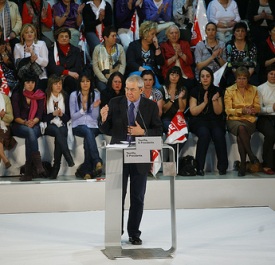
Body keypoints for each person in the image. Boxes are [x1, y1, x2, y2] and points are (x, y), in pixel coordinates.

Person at [99, 75, 163, 245]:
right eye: (127, 88)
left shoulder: (150, 106)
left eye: (132, 89)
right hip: (118, 155)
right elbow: (107, 129)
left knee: (137, 197)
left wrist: (142, 133)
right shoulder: (115, 102)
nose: (128, 92)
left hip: (140, 155)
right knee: (117, 196)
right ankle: (115, 231)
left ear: (141, 90)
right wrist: (103, 119)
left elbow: (158, 131)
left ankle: (134, 233)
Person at [189, 67, 228, 176]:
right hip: (199, 120)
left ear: (211, 77)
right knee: (204, 134)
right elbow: (193, 111)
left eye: (208, 76)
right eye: (203, 76)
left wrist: (214, 101)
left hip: (215, 120)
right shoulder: (194, 91)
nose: (205, 78)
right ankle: (199, 167)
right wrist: (205, 103)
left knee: (218, 134)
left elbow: (219, 111)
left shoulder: (218, 91)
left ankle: (222, 167)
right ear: (199, 78)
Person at [224, 66, 261, 176]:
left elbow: (258, 107)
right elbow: (228, 110)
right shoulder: (229, 90)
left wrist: (254, 110)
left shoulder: (254, 89)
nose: (241, 81)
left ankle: (243, 165)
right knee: (240, 128)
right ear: (235, 79)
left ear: (248, 79)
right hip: (234, 120)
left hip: (249, 120)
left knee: (241, 135)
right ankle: (251, 156)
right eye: (239, 78)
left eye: (244, 78)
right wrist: (242, 110)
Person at [11, 72, 46, 181]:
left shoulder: (39, 95)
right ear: (23, 84)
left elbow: (39, 115)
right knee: (30, 133)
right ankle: (38, 164)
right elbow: (16, 117)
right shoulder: (17, 95)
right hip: (19, 125)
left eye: (32, 82)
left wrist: (33, 122)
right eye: (28, 82)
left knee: (30, 136)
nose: (30, 85)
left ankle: (28, 173)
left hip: (34, 124)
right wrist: (26, 122)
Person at [69, 72, 103, 180]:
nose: (85, 84)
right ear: (79, 83)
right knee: (87, 132)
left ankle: (87, 172)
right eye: (83, 81)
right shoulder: (74, 95)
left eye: (87, 81)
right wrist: (83, 110)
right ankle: (97, 160)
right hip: (77, 126)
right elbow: (73, 116)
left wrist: (93, 107)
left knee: (88, 136)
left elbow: (95, 117)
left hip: (93, 126)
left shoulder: (96, 94)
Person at [43, 74, 75, 179]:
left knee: (61, 131)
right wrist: (53, 114)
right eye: (56, 84)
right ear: (51, 85)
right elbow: (42, 117)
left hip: (61, 123)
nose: (58, 86)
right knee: (58, 131)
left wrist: (61, 115)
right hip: (48, 124)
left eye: (60, 84)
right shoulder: (45, 96)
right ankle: (67, 156)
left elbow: (68, 118)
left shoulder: (65, 96)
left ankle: (55, 168)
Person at [126, 21, 164, 88]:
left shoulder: (154, 46)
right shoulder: (133, 45)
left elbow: (160, 62)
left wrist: (157, 47)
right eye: (152, 34)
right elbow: (130, 62)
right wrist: (145, 70)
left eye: (155, 34)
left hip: (151, 75)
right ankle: (159, 89)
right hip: (136, 72)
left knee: (149, 74)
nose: (154, 37)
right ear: (145, 34)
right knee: (148, 70)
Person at [14, 23, 48, 91]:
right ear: (23, 35)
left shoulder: (41, 44)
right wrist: (30, 60)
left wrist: (33, 55)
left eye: (31, 32)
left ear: (35, 34)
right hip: (24, 78)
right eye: (26, 32)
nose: (29, 34)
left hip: (40, 76)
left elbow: (45, 63)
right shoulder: (17, 46)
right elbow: (17, 64)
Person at [47, 27, 82, 95]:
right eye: (62, 36)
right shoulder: (51, 50)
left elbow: (78, 66)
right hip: (56, 76)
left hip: (72, 77)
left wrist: (70, 74)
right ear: (57, 38)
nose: (64, 38)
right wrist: (67, 72)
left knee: (71, 81)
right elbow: (51, 67)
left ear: (69, 38)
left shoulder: (76, 50)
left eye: (66, 36)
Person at [160, 24, 195, 91]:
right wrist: (175, 57)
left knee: (189, 86)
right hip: (171, 75)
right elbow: (163, 65)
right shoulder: (163, 46)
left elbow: (190, 61)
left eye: (176, 33)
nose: (174, 35)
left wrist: (180, 54)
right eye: (172, 33)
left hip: (184, 74)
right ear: (167, 35)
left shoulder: (185, 44)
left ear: (179, 35)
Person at [92, 26, 126, 91]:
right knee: (104, 90)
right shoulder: (97, 49)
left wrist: (117, 79)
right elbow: (95, 67)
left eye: (116, 35)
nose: (115, 38)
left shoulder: (120, 48)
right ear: (105, 37)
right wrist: (106, 80)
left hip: (117, 78)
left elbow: (122, 65)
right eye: (113, 36)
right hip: (102, 79)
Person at [225, 21, 258, 86]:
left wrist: (245, 78)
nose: (240, 33)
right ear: (234, 33)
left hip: (249, 73)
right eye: (237, 31)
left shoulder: (251, 45)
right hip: (233, 72)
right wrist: (239, 78)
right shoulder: (229, 45)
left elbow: (253, 64)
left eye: (242, 31)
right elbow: (229, 64)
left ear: (246, 33)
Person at [194, 22, 227, 87]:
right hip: (204, 76)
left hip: (218, 76)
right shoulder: (200, 45)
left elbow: (224, 66)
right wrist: (212, 57)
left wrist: (219, 57)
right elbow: (199, 66)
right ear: (206, 31)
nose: (211, 32)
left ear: (216, 31)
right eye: (208, 30)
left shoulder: (222, 45)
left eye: (213, 30)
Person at [256, 65, 275, 174]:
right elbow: (258, 109)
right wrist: (271, 108)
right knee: (271, 134)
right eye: (271, 73)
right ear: (267, 75)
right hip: (264, 117)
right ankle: (267, 164)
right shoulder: (260, 88)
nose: (273, 76)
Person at [0, 91, 16, 169]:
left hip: (4, 126)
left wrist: (2, 116)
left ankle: (4, 158)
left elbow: (10, 118)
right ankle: (4, 158)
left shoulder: (5, 98)